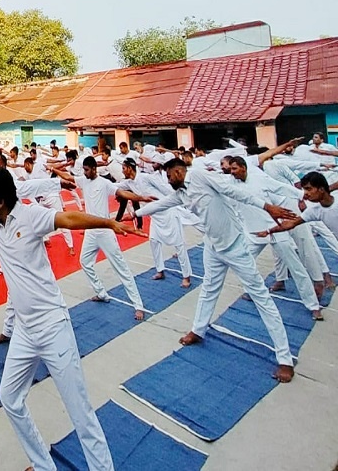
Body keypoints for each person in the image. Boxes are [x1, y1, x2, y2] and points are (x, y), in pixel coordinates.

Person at [0, 169, 142, 471]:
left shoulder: (30, 216)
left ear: (0, 199)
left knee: (79, 411)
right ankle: (43, 465)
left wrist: (109, 222)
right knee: (9, 397)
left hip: (52, 325)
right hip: (24, 330)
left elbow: (68, 220)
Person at [136, 159, 297, 382]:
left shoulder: (200, 176)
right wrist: (134, 215)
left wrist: (267, 206)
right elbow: (161, 204)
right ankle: (198, 330)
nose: (168, 180)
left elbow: (232, 191)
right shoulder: (181, 193)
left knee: (261, 298)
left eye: (170, 176)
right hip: (212, 247)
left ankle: (285, 359)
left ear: (179, 171)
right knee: (209, 289)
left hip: (235, 247)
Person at [227, 157, 322, 320]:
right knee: (243, 263)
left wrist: (302, 195)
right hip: (253, 233)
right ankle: (253, 292)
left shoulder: (259, 179)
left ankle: (313, 306)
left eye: (234, 168)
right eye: (230, 169)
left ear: (243, 168)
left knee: (296, 267)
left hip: (274, 230)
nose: (231, 172)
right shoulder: (229, 183)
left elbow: (280, 188)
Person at [55, 157, 150, 320]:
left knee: (121, 268)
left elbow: (123, 193)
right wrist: (52, 169)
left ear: (94, 169)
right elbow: (69, 177)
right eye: (83, 170)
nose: (84, 173)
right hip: (91, 232)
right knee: (85, 262)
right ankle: (101, 293)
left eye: (86, 170)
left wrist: (141, 198)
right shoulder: (84, 181)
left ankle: (138, 306)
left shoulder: (104, 183)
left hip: (105, 231)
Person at [119, 158, 192, 288]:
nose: (122, 171)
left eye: (124, 168)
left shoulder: (146, 177)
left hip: (168, 211)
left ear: (130, 168)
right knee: (153, 241)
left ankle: (186, 276)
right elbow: (114, 187)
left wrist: (179, 198)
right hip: (155, 216)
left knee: (179, 245)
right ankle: (160, 270)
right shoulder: (129, 183)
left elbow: (164, 188)